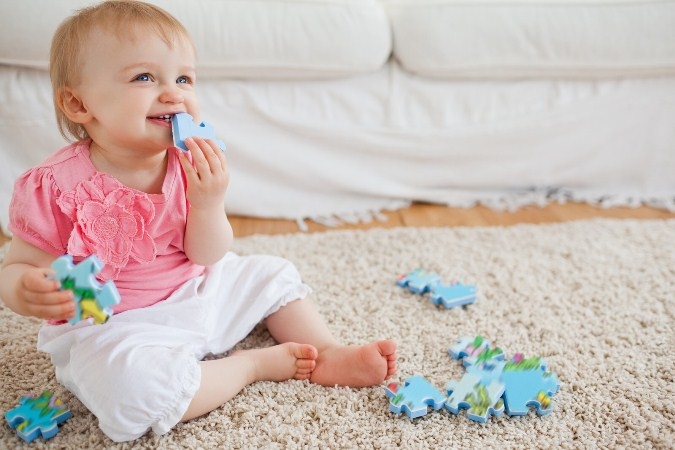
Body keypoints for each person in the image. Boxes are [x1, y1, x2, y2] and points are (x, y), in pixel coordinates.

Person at [0, 0, 396, 442]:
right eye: (144, 77)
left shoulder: (187, 161)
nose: (174, 93)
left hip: (197, 290)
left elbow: (207, 255)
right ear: (78, 103)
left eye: (184, 77)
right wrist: (24, 289)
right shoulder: (54, 186)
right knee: (132, 392)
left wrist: (209, 203)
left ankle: (325, 351)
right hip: (116, 327)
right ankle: (248, 366)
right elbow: (18, 265)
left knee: (272, 273)